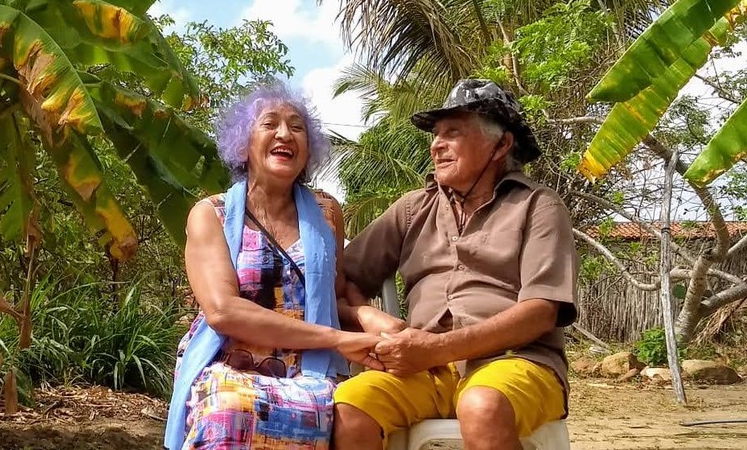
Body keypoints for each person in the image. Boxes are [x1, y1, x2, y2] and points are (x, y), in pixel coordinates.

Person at [333, 79, 579, 450]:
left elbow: (541, 312)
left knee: (481, 406)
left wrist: (437, 348)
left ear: (501, 145)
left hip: (516, 361)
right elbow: (339, 280)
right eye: (436, 135)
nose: (436, 145)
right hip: (423, 369)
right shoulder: (414, 208)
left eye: (453, 133)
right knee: (350, 407)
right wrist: (366, 316)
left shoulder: (538, 206)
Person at [164, 82, 384, 450]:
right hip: (231, 364)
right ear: (243, 143)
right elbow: (224, 311)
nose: (285, 134)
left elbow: (332, 298)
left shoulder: (327, 213)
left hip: (311, 368)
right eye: (270, 124)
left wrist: (367, 317)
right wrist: (337, 339)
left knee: (344, 410)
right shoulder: (210, 214)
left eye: (297, 127)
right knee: (229, 408)